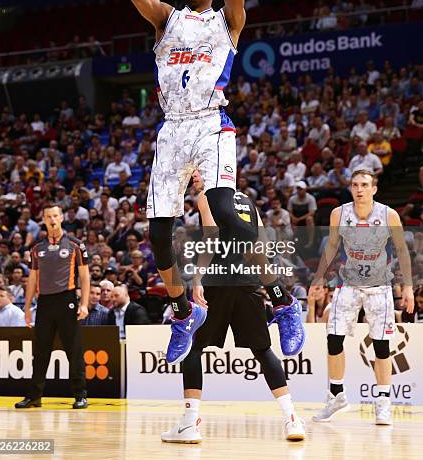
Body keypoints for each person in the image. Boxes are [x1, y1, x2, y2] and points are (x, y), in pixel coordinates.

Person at [129, 0, 258, 364]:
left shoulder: (227, 21)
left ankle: (279, 296)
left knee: (223, 208)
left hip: (210, 123)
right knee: (159, 233)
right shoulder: (168, 19)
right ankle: (183, 309)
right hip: (171, 130)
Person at [161, 171, 305, 444]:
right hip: (248, 280)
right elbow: (261, 245)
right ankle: (292, 419)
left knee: (193, 347)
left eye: (198, 176)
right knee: (263, 350)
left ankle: (190, 423)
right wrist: (268, 283)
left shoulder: (207, 196)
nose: (195, 182)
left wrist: (198, 277)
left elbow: (211, 237)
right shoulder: (247, 200)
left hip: (218, 281)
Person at [309, 170, 414, 425]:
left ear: (374, 189)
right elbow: (332, 246)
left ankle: (383, 403)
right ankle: (336, 396)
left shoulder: (388, 215)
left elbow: (401, 250)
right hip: (348, 285)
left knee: (381, 347)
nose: (359, 189)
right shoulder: (340, 214)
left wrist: (408, 287)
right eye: (355, 185)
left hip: (380, 286)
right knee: (333, 340)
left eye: (365, 185)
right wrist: (319, 277)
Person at [15, 204, 90, 410]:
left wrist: (84, 304)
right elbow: (32, 280)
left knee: (73, 350)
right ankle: (34, 396)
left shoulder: (75, 244)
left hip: (67, 300)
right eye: (48, 216)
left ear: (62, 217)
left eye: (55, 215)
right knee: (40, 352)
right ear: (44, 220)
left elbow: (84, 276)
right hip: (45, 302)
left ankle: (80, 395)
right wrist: (28, 307)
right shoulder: (37, 248)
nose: (52, 219)